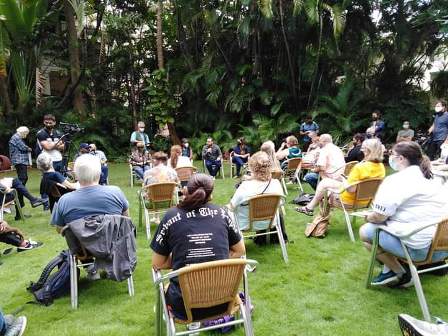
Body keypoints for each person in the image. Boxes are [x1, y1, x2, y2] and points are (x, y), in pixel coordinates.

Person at [150, 173, 245, 320]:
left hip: (184, 307)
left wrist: (183, 260)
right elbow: (240, 250)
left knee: (166, 288)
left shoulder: (171, 216)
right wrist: (214, 260)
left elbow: (157, 263)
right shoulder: (223, 213)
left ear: (186, 190)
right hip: (225, 301)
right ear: (211, 195)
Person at [359, 141, 448, 287]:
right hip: (442, 247)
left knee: (366, 231)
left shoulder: (396, 181)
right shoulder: (435, 177)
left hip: (419, 249)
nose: (390, 158)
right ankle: (396, 269)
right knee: (387, 226)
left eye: (392, 155)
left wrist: (367, 216)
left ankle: (400, 272)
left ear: (401, 158)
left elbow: (379, 217)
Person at [296, 139, 385, 216]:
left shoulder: (360, 167)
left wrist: (344, 179)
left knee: (325, 193)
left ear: (367, 150)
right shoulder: (381, 167)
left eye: (363, 149)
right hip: (367, 201)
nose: (361, 150)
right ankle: (309, 207)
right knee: (325, 182)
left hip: (348, 202)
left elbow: (351, 189)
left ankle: (313, 213)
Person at [51, 154, 129, 229]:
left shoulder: (64, 201)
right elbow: (126, 220)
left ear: (76, 175)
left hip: (80, 242)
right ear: (100, 173)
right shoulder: (116, 193)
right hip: (114, 242)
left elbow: (60, 229)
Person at [228, 152, 284, 231]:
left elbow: (232, 207)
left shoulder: (246, 186)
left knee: (227, 211)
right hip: (270, 223)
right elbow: (280, 203)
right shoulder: (276, 183)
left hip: (246, 224)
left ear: (252, 168)